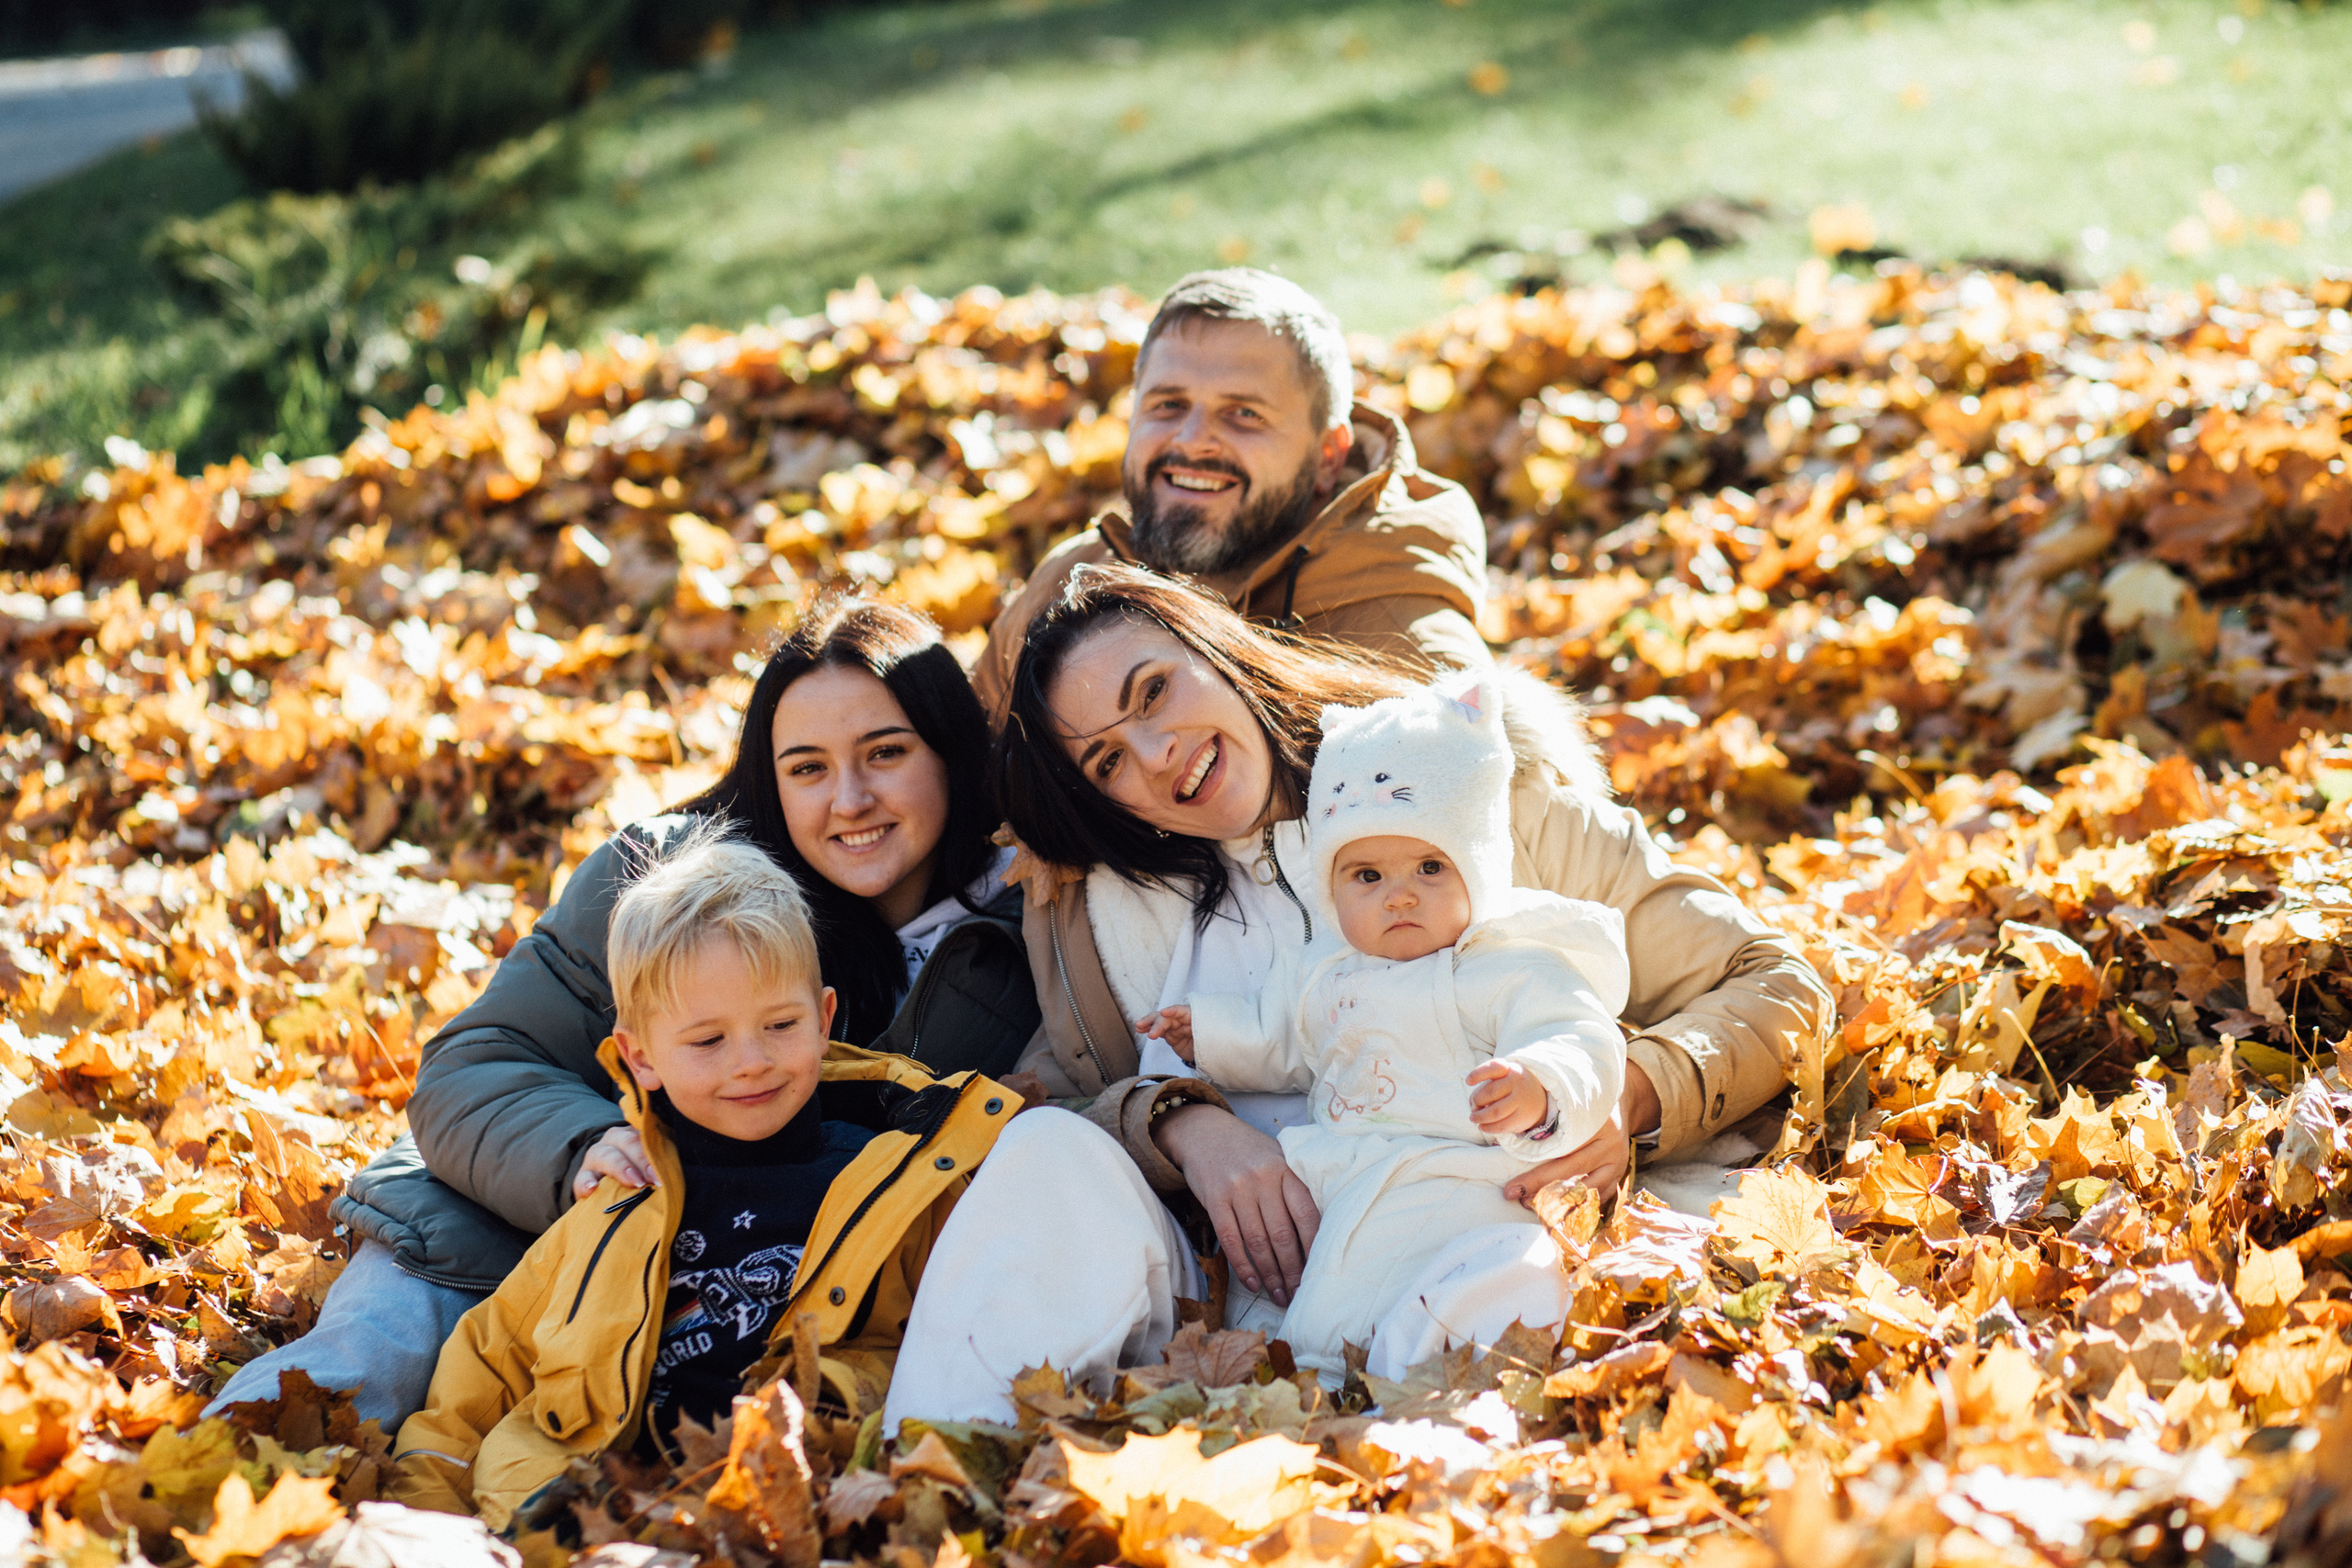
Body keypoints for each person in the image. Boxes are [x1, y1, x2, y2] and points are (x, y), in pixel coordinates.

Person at [878, 566, 1833, 1425]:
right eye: (1109, 761)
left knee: (1500, 1297)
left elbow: (1774, 982)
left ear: (1221, 650)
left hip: (1467, 1232)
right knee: (1042, 1150)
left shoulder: (1469, 801)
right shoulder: (1107, 919)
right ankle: (931, 1483)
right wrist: (1176, 1123)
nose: (1159, 753)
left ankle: (1406, 1482)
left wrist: (1628, 1094)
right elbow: (1060, 1094)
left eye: (1156, 691)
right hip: (1229, 1305)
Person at [213, 598, 1043, 1429]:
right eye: (807, 768)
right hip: (533, 1233)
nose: (851, 798)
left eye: (886, 752)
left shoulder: (1035, 909)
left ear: (951, 749)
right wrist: (582, 1147)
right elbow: (473, 1066)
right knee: (341, 1388)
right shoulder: (668, 884)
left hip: (800, 1300)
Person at [390, 829, 1018, 1528]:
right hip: (578, 1511)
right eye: (709, 1040)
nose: (750, 1061)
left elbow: (929, 1345)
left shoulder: (887, 1179)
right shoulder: (622, 1195)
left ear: (823, 1019)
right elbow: (488, 1361)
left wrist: (837, 1395)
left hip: (783, 1504)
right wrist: (430, 1508)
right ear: (640, 1056)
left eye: (780, 1024)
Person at [1137, 673, 1633, 1380]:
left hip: (1474, 1180)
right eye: (1366, 876)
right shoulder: (1326, 975)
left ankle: (1430, 1357)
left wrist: (1541, 1086)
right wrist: (1209, 1032)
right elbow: (1278, 1037)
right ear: (1333, 888)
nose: (1400, 893)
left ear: (1479, 869)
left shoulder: (1508, 963)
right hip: (1357, 1182)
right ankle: (1345, 1381)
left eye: (1431, 866)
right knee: (1338, 1298)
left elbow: (1578, 1034)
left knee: (1499, 1271)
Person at [971, 267, 1489, 716]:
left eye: (1244, 414)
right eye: (1168, 404)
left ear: (1327, 456)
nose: (1193, 441)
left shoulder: (1400, 648)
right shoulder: (1071, 583)